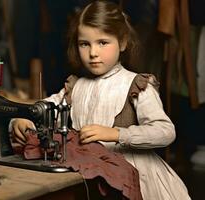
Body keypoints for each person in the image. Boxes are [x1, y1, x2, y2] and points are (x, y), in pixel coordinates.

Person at [11, 1, 191, 199]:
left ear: (122, 42)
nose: (93, 53)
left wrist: (116, 134)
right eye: (84, 44)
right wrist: (28, 118)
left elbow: (165, 131)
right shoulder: (76, 86)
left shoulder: (137, 86)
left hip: (135, 178)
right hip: (93, 175)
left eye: (103, 42)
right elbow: (48, 107)